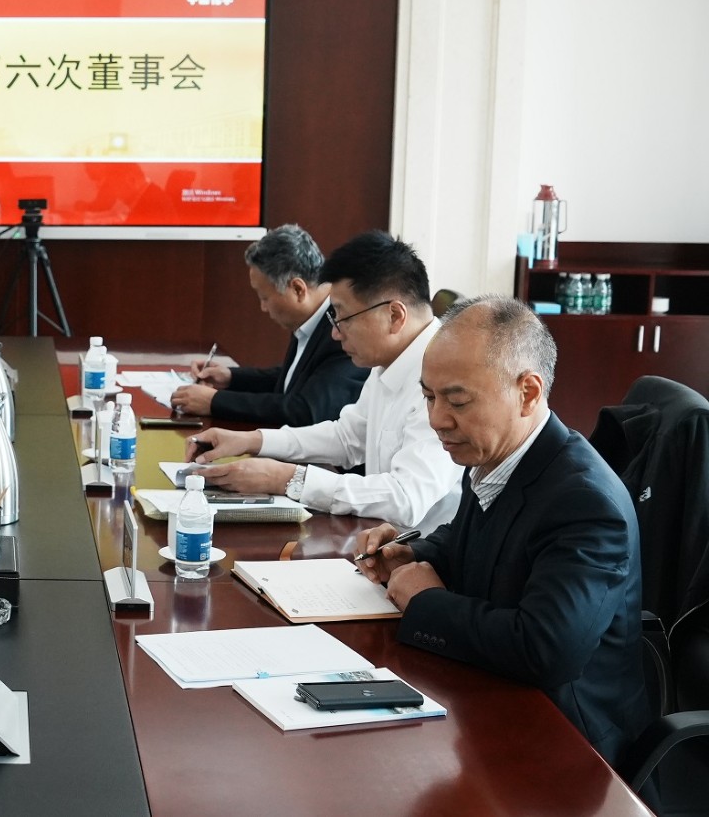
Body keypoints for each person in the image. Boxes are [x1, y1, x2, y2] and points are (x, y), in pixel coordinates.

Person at [355, 296, 646, 763]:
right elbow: (474, 540)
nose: (436, 420)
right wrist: (414, 553)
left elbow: (545, 650)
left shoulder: (586, 503)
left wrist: (426, 601)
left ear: (527, 393)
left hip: (566, 745)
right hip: (489, 696)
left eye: (457, 401)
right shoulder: (497, 454)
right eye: (428, 397)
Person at [186, 231, 459, 532]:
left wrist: (287, 479)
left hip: (420, 551)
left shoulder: (445, 378)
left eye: (343, 317)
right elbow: (347, 438)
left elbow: (406, 498)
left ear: (394, 315)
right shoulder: (390, 360)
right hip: (379, 539)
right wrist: (252, 440)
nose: (335, 333)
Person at [170, 224, 367, 425]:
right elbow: (294, 379)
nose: (263, 307)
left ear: (298, 289)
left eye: (264, 297)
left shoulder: (342, 329)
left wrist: (215, 401)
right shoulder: (313, 316)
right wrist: (231, 377)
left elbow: (306, 410)